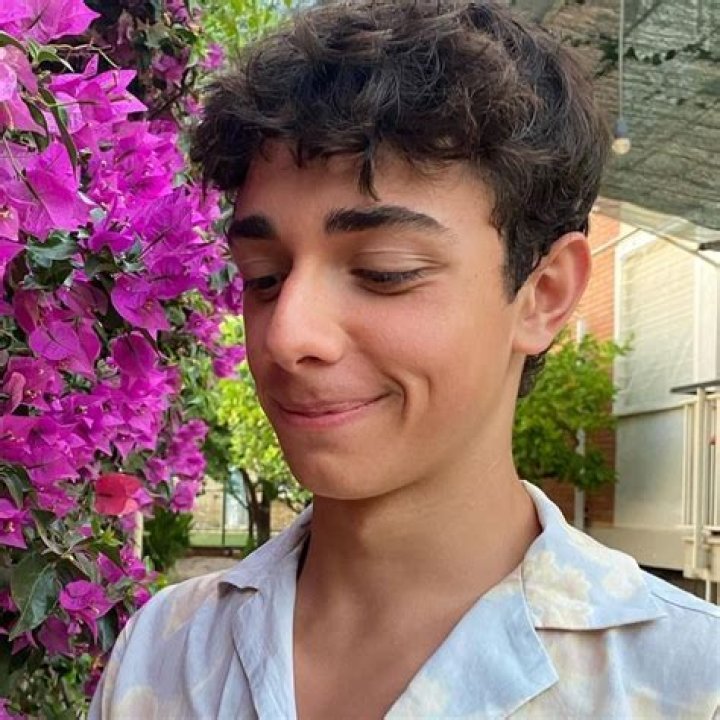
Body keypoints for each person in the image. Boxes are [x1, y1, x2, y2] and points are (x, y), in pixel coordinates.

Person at [90, 1, 720, 718]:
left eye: (384, 271)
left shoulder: (685, 683)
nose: (286, 334)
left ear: (543, 295)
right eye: (263, 277)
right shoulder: (165, 652)